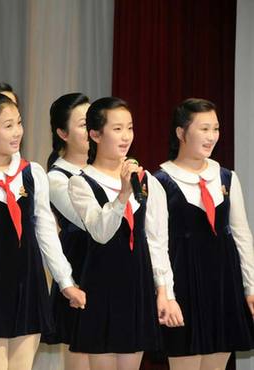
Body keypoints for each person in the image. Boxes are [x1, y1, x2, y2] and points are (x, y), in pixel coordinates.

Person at [0, 93, 86, 370]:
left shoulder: (31, 173)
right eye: (7, 126)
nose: (17, 132)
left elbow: (45, 231)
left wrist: (66, 281)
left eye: (19, 123)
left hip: (28, 280)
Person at [68, 97, 182, 370]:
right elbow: (100, 232)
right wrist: (122, 196)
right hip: (101, 284)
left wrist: (165, 292)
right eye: (117, 129)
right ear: (95, 134)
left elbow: (156, 241)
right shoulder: (81, 182)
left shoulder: (148, 181)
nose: (126, 136)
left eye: (129, 128)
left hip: (137, 283)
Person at [154, 98, 254, 370]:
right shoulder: (160, 181)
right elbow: (157, 243)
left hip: (223, 283)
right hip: (183, 283)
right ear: (181, 132)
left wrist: (250, 287)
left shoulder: (226, 177)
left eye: (216, 129)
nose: (212, 137)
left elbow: (242, 236)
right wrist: (167, 295)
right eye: (204, 129)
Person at [42, 93, 91, 370]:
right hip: (82, 268)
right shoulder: (57, 177)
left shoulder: (117, 168)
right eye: (84, 124)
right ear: (62, 133)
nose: (93, 128)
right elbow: (90, 222)